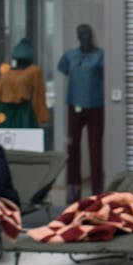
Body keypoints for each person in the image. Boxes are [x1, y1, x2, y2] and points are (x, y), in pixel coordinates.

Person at [58, 23, 105, 203]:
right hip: (74, 105)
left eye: (87, 34)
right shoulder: (70, 55)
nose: (84, 38)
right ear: (77, 37)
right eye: (81, 35)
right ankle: (73, 193)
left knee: (95, 148)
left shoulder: (100, 55)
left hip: (96, 106)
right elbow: (64, 69)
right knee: (73, 149)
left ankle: (97, 192)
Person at [0, 38, 50, 128]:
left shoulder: (6, 71)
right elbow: (38, 94)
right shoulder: (34, 71)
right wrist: (42, 117)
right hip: (23, 112)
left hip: (5, 110)